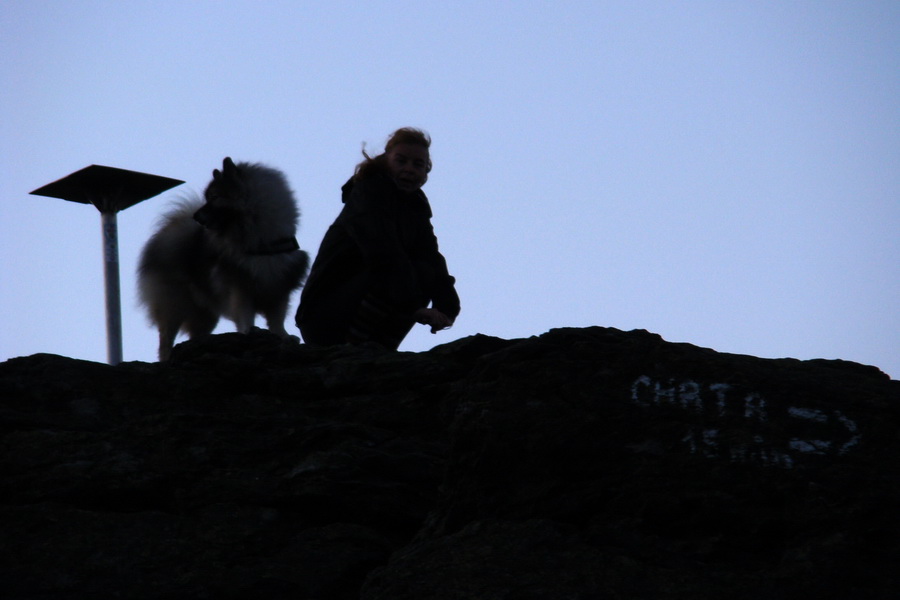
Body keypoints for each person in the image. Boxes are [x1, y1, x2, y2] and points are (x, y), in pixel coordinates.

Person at [295, 127, 460, 349]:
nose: (409, 169)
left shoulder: (415, 208)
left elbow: (430, 257)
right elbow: (382, 251)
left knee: (422, 270)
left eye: (417, 164)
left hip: (362, 303)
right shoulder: (368, 194)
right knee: (396, 271)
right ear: (386, 162)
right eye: (401, 161)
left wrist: (447, 308)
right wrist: (413, 306)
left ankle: (379, 349)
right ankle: (352, 350)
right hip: (324, 316)